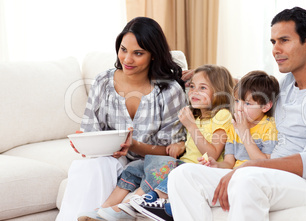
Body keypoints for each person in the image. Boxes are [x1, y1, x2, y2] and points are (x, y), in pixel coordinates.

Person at [167, 6, 306, 221]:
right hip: (272, 174)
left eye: (284, 40)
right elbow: (253, 94)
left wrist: (255, 165)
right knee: (182, 176)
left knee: (247, 180)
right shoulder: (289, 84)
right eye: (273, 42)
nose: (275, 49)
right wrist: (207, 76)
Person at [56, 16, 187, 221]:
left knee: (104, 168)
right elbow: (90, 129)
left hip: (152, 163)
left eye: (138, 53)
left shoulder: (170, 90)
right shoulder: (103, 82)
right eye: (123, 49)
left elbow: (172, 150)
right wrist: (85, 144)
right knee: (89, 166)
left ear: (153, 55)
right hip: (113, 158)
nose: (127, 59)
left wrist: (133, 145)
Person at [81, 64, 235, 221]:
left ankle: (128, 207)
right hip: (182, 163)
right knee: (136, 166)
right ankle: (102, 209)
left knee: (162, 166)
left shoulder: (222, 115)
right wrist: (180, 144)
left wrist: (190, 125)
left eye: (203, 88)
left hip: (196, 170)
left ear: (219, 92)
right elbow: (188, 143)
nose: (194, 92)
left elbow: (213, 153)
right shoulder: (194, 116)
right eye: (193, 86)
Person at [199, 70, 279, 170]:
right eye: (237, 101)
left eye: (247, 103)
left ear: (266, 106)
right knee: (185, 170)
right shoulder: (233, 127)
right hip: (234, 173)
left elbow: (264, 164)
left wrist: (244, 132)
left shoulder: (269, 127)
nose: (239, 108)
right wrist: (216, 165)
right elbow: (228, 163)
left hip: (254, 174)